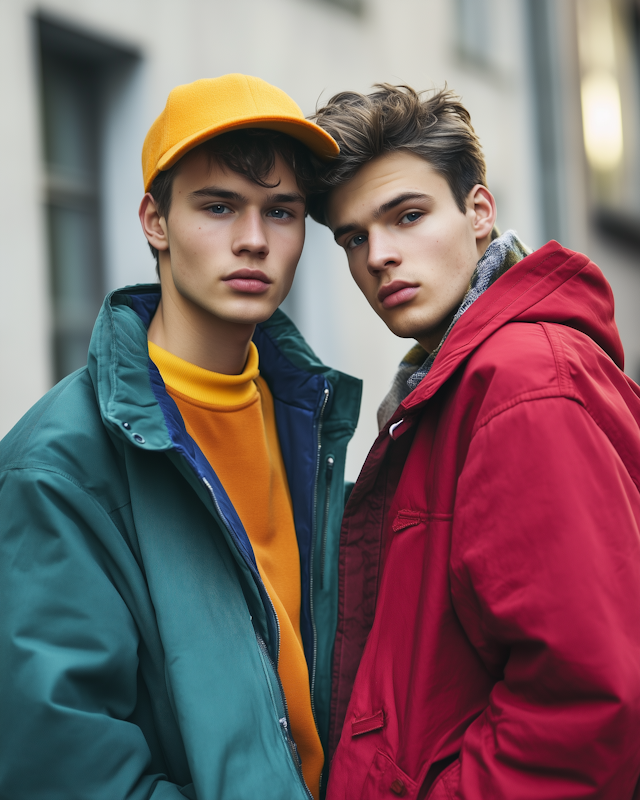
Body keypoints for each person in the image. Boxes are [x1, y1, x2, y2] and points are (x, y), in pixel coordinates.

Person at [0, 74, 361, 800]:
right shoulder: (58, 465)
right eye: (218, 205)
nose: (254, 240)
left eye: (281, 212)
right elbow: (66, 767)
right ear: (154, 221)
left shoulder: (309, 419)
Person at [308, 84, 640, 798]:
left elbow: (588, 700)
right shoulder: (444, 388)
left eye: (407, 216)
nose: (379, 256)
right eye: (354, 238)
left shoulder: (521, 382)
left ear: (479, 212)